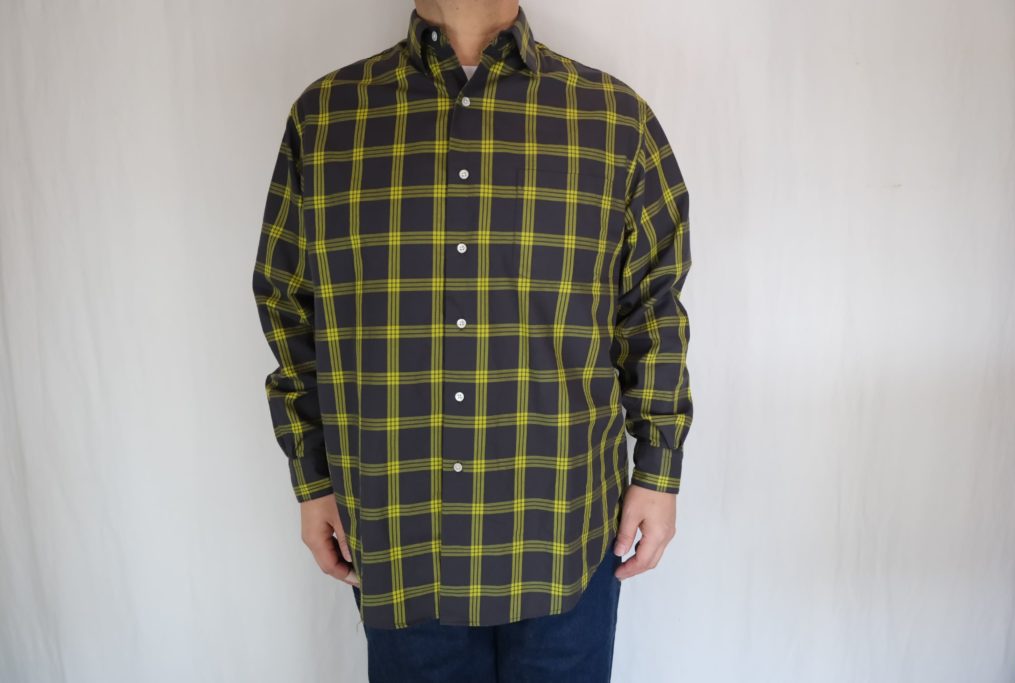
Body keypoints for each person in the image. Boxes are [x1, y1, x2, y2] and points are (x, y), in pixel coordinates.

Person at [251, 1, 693, 680]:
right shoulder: (329, 117)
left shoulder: (613, 120)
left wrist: (658, 471)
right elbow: (289, 307)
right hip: (398, 528)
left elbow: (652, 311)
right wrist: (312, 480)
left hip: (564, 526)